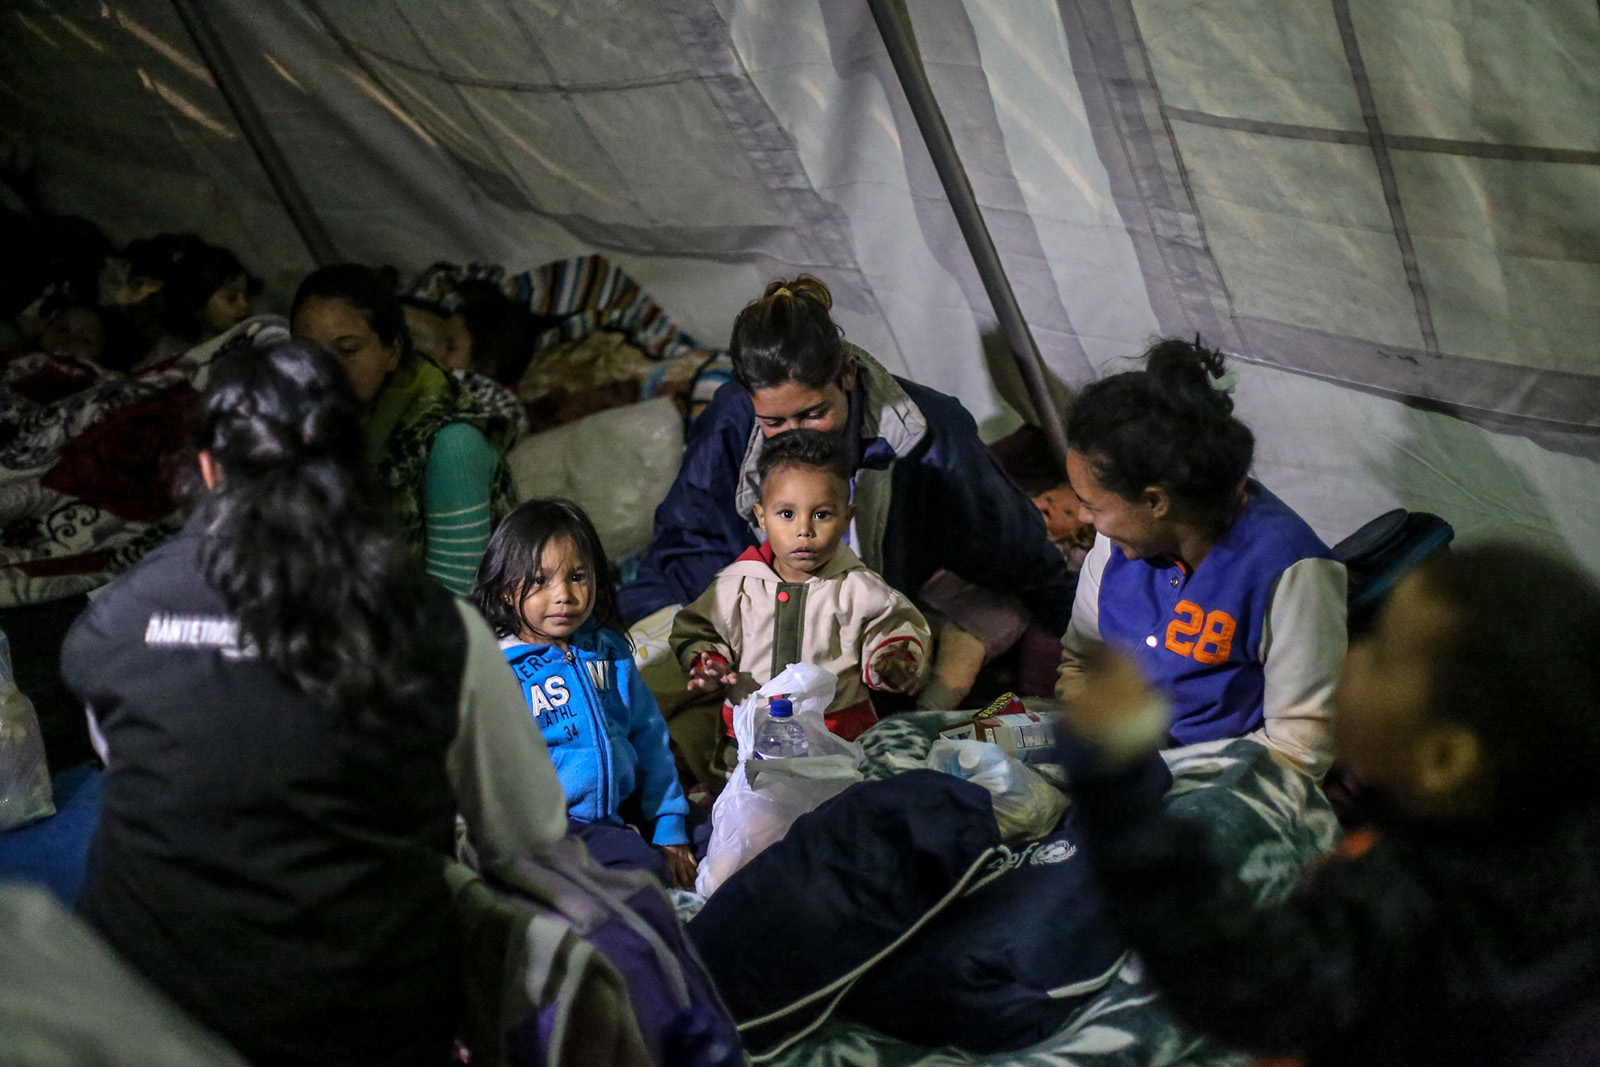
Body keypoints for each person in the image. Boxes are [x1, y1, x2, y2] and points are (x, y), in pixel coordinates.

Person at [61, 339, 569, 1067]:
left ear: (209, 469)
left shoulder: (116, 620)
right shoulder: (433, 627)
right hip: (362, 1024)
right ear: (348, 468)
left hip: (141, 1017)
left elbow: (132, 767)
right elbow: (528, 834)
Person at [1055, 545, 1600, 1066]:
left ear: (1442, 761)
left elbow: (1239, 985)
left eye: (1382, 655)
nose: (1353, 655)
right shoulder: (1554, 828)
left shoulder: (1401, 919)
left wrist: (1117, 788)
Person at [618, 276, 1075, 647]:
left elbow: (1011, 546)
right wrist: (746, 623)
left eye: (815, 414)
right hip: (735, 617)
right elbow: (688, 539)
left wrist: (1088, 638)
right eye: (775, 422)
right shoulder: (734, 417)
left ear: (849, 373)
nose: (795, 435)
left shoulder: (926, 435)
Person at [1056, 337, 1345, 778]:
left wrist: (1165, 776)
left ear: (1155, 501)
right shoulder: (1115, 543)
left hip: (1224, 784)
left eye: (1092, 505)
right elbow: (1080, 661)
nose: (1082, 516)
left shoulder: (1288, 568)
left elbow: (1298, 748)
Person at [471, 498, 696, 889]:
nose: (565, 595)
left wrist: (669, 825)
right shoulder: (500, 672)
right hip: (555, 829)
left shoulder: (609, 651)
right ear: (507, 589)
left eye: (577, 576)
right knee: (642, 870)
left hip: (623, 805)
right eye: (540, 581)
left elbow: (648, 736)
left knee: (714, 829)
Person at [671, 428, 929, 741]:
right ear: (762, 517)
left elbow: (893, 630)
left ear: (847, 518)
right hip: (750, 739)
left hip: (836, 740)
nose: (804, 530)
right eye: (787, 514)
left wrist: (891, 662)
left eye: (821, 514)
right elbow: (698, 630)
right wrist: (709, 663)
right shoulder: (734, 586)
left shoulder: (861, 589)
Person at [291, 263, 519, 595]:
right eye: (307, 352)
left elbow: (457, 608)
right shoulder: (303, 432)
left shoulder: (450, 441)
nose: (323, 369)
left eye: (347, 349)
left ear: (392, 351)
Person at [124, 234, 258, 369]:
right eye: (232, 298)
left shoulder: (254, 348)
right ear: (197, 303)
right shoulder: (171, 353)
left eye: (247, 297)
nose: (244, 305)